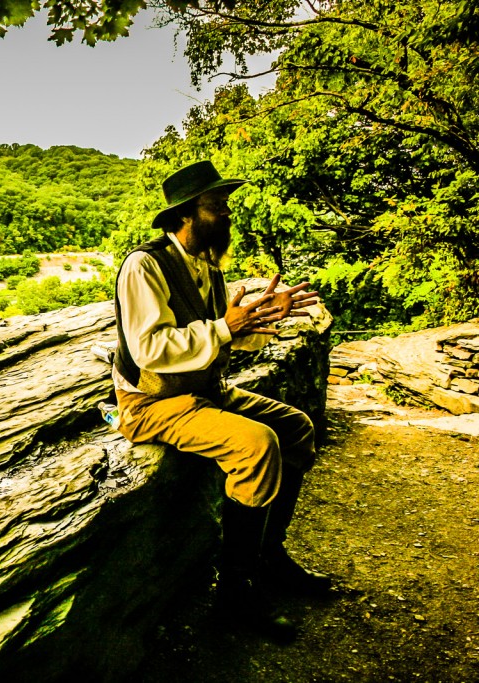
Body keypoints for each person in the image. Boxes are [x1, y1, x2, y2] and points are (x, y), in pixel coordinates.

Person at [112, 160, 330, 641]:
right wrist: (227, 327)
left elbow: (222, 334)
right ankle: (234, 590)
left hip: (204, 392)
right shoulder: (143, 265)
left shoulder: (207, 266)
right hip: (151, 405)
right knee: (257, 444)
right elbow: (149, 347)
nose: (228, 215)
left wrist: (255, 321)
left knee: (295, 427)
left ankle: (269, 557)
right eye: (218, 206)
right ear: (186, 215)